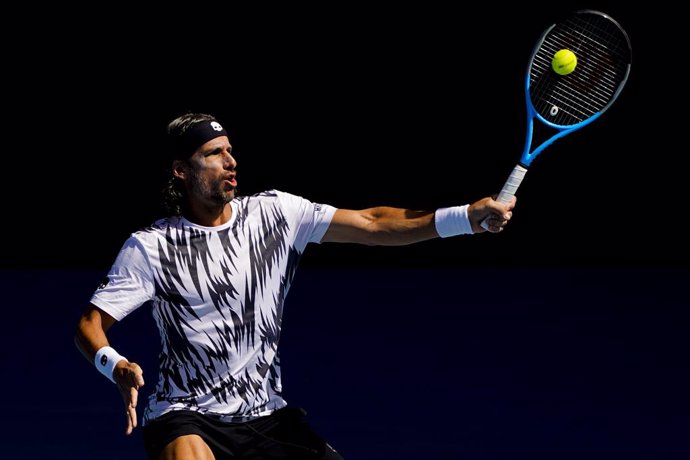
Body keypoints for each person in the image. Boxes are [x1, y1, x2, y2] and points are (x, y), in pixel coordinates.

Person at [74, 112, 516, 460]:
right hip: (185, 414)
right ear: (181, 171)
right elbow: (90, 326)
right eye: (213, 154)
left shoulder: (276, 214)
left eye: (230, 150)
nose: (231, 162)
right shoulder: (152, 247)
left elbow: (374, 223)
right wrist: (115, 366)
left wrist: (466, 218)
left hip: (266, 415)